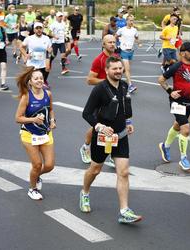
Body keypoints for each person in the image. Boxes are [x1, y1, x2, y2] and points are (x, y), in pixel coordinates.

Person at [80, 56, 142, 224]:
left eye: (120, 68)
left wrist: (128, 122)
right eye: (114, 69)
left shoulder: (123, 85)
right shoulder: (100, 89)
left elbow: (124, 107)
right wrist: (99, 126)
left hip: (120, 136)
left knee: (123, 172)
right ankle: (85, 193)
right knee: (95, 170)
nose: (118, 71)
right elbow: (86, 113)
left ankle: (124, 211)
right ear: (107, 70)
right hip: (102, 138)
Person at [158, 42, 190, 171]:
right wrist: (170, 91)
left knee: (177, 125)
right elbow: (161, 80)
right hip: (177, 102)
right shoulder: (176, 66)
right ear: (182, 53)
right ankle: (183, 159)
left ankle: (165, 146)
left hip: (189, 102)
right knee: (185, 129)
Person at [15, 66, 56, 200]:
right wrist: (34, 119)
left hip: (45, 133)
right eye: (36, 78)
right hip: (29, 134)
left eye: (41, 78)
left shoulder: (48, 94)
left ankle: (36, 175)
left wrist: (52, 120)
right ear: (30, 82)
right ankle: (32, 189)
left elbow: (50, 110)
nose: (39, 80)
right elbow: (18, 118)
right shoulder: (26, 97)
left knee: (49, 165)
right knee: (37, 164)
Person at [80, 34, 117, 164]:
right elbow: (89, 80)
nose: (112, 44)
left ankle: (112, 154)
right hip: (101, 97)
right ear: (103, 44)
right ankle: (85, 147)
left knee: (114, 125)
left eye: (114, 42)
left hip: (115, 97)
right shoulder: (99, 60)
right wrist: (107, 81)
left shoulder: (116, 57)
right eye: (109, 42)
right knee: (98, 126)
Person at [20, 22, 52, 87]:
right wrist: (26, 55)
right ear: (34, 30)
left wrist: (50, 51)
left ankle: (38, 92)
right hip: (31, 64)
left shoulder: (46, 38)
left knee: (38, 82)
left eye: (40, 28)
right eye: (37, 28)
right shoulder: (29, 38)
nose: (39, 30)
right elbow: (21, 47)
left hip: (42, 64)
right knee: (29, 81)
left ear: (42, 29)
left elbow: (49, 49)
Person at [116, 15, 142, 93]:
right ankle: (130, 85)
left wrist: (139, 43)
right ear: (126, 21)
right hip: (124, 51)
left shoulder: (134, 30)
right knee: (127, 69)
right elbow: (115, 36)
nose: (132, 22)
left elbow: (137, 37)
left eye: (133, 20)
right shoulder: (122, 30)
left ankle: (116, 76)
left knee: (125, 69)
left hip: (131, 51)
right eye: (130, 20)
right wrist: (117, 44)